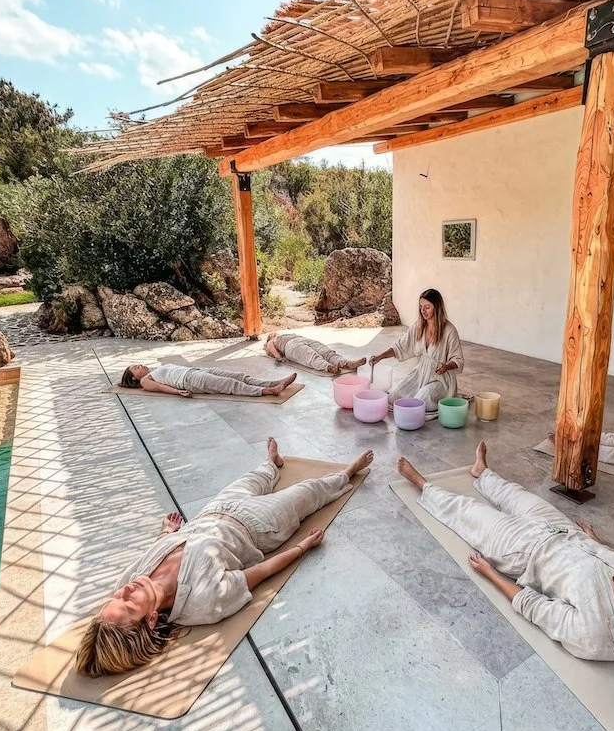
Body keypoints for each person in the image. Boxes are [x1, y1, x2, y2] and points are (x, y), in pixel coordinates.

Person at [396, 442, 614, 720]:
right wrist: (597, 542)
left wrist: (491, 574)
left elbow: (535, 607)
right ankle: (481, 473)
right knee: (516, 495)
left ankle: (421, 483)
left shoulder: (594, 637)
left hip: (523, 551)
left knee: (467, 513)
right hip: (565, 531)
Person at [75, 439, 374, 677]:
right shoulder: (204, 602)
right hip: (258, 526)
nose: (125, 589)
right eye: (128, 602)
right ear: (152, 620)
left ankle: (273, 463)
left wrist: (167, 532)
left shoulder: (130, 580)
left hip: (211, 513)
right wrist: (301, 548)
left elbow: (159, 552)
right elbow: (260, 572)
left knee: (252, 478)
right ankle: (347, 472)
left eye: (116, 596)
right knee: (307, 491)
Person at [369, 289, 464, 412]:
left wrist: (446, 366)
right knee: (394, 398)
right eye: (420, 307)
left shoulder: (449, 330)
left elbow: (458, 359)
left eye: (427, 307)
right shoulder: (419, 326)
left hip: (440, 379)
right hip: (420, 374)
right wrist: (380, 357)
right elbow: (401, 346)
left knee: (420, 402)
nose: (423, 311)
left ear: (437, 307)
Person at [120, 363, 297, 398]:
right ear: (135, 379)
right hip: (189, 380)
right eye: (135, 369)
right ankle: (268, 391)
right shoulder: (145, 381)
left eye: (136, 364)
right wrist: (178, 392)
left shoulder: (156, 369)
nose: (139, 365)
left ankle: (274, 383)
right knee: (230, 385)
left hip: (195, 371)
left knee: (237, 376)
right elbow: (159, 388)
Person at [265, 331, 366, 374]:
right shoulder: (273, 340)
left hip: (303, 339)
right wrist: (279, 358)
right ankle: (329, 367)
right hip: (290, 345)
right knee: (310, 356)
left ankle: (347, 363)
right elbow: (270, 347)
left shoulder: (285, 333)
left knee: (326, 352)